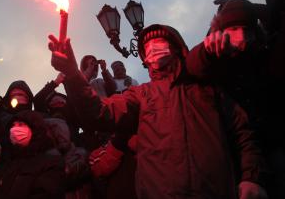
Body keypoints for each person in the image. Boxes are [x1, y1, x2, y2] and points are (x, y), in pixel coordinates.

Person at [48, 24, 267, 199]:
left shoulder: (207, 88)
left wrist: (252, 177)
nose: (153, 48)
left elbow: (243, 133)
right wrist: (72, 72)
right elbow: (98, 113)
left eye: (159, 41)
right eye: (147, 47)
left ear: (175, 47)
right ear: (145, 59)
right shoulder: (141, 95)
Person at [186, 0, 285, 198]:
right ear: (220, 32)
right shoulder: (214, 60)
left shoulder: (265, 56)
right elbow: (192, 66)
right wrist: (207, 51)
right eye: (233, 30)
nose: (241, 37)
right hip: (236, 157)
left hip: (274, 146)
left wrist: (243, 7)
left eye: (246, 30)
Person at [0, 110, 66, 199]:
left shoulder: (52, 163)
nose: (14, 129)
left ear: (35, 129)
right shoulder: (5, 165)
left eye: (21, 125)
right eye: (13, 125)